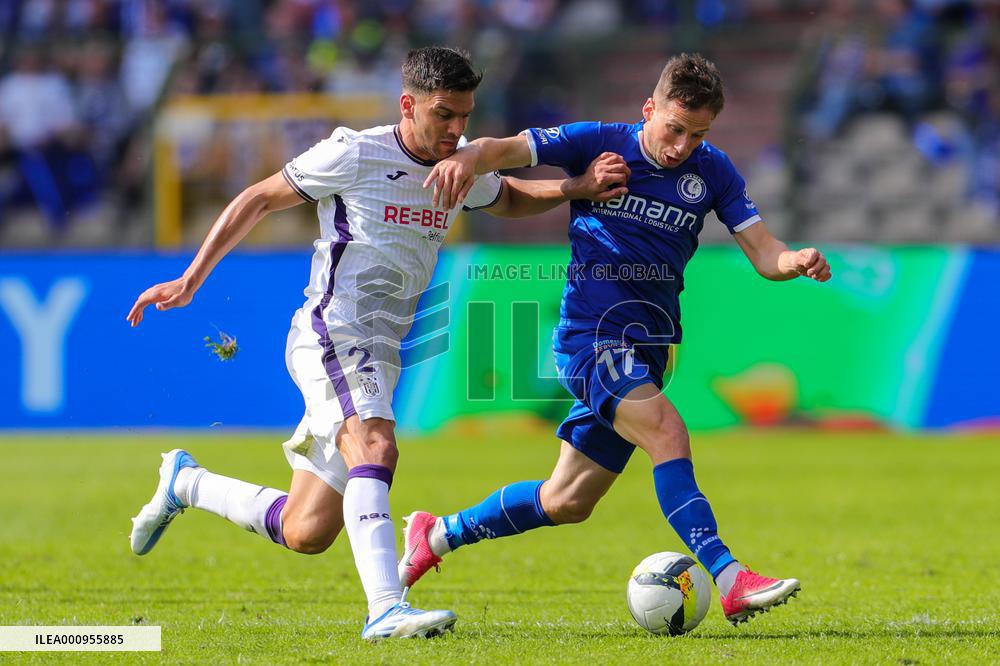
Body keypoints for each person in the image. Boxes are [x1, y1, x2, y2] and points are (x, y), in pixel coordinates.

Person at [125, 46, 625, 641]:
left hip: (382, 350)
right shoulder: (356, 151)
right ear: (408, 104)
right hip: (334, 332)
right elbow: (258, 197)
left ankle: (186, 482)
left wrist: (574, 186)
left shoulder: (459, 165)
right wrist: (190, 279)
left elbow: (509, 196)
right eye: (444, 115)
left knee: (308, 530)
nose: (456, 130)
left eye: (465, 117)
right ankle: (386, 607)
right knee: (377, 445)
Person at [401, 53, 832, 626]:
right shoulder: (597, 141)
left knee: (567, 500)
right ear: (648, 108)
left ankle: (439, 534)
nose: (681, 146)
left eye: (697, 134)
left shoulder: (717, 172)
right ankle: (729, 578)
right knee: (667, 432)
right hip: (592, 338)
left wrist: (795, 259)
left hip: (651, 348)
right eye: (674, 128)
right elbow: (500, 150)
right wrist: (464, 158)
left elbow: (764, 252)